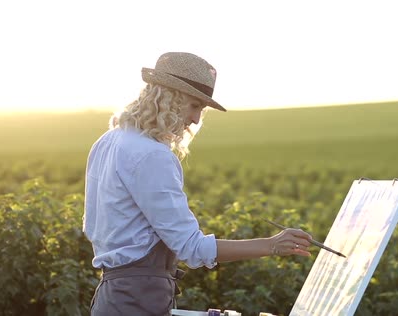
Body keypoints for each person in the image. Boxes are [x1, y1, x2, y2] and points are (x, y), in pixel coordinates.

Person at [83, 52, 313, 316]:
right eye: (194, 106)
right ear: (169, 97)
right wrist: (272, 245)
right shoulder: (153, 155)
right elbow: (193, 249)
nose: (195, 119)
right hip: (138, 302)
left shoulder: (108, 141)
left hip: (110, 298)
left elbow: (92, 226)